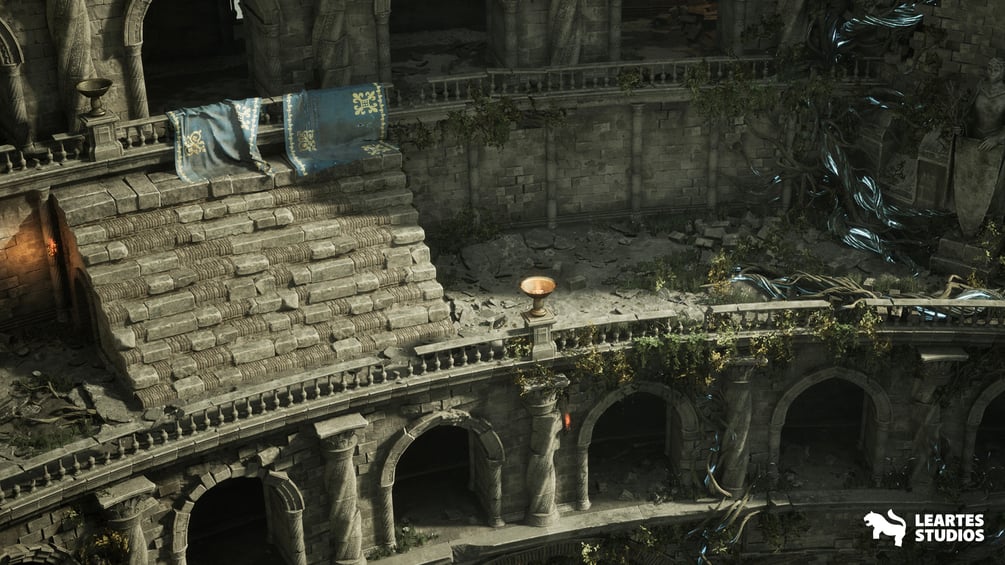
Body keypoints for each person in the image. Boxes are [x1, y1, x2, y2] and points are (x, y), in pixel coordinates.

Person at [967, 57, 1005, 151]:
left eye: (996, 70)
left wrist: (997, 139)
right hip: (972, 138)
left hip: (995, 145)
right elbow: (969, 115)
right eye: (989, 68)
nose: (992, 72)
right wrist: (962, 128)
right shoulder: (980, 86)